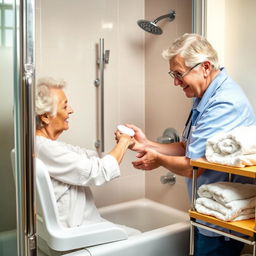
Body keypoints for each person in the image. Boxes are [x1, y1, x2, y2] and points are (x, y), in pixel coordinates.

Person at [123, 33, 256, 255]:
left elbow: (193, 165)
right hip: (206, 209)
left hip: (221, 220)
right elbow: (187, 147)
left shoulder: (224, 102)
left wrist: (159, 160)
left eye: (179, 74)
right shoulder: (204, 95)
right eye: (172, 74)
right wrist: (146, 144)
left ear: (205, 67)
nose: (175, 81)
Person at [35, 77, 139, 235]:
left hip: (77, 226)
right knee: (137, 237)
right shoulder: (44, 148)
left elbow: (90, 158)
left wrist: (121, 145)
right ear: (45, 116)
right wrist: (123, 142)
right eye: (65, 106)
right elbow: (98, 172)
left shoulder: (46, 146)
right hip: (76, 231)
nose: (71, 110)